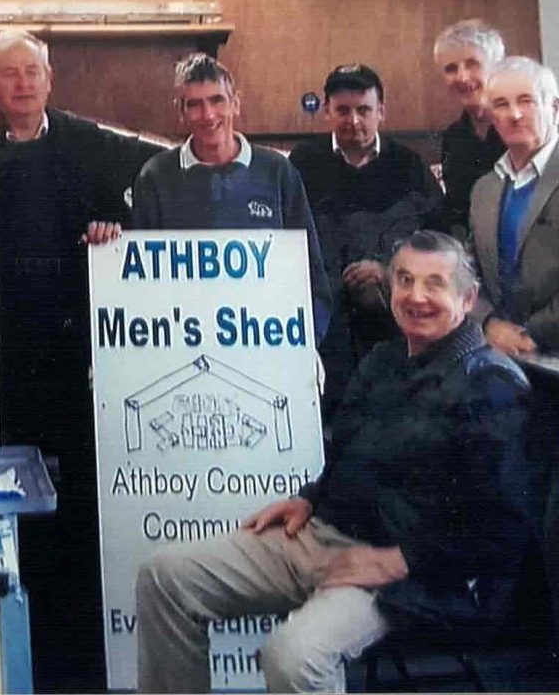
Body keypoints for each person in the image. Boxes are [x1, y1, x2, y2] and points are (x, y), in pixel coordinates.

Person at [136, 230, 533, 693]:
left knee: (293, 656)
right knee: (165, 577)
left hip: (412, 572)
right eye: (404, 280)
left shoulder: (492, 386)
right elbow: (353, 453)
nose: (416, 296)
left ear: (467, 299)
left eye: (434, 284)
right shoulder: (384, 359)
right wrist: (309, 497)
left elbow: (503, 533)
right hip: (324, 533)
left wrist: (397, 561)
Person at [0, 28, 162, 692]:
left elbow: (157, 177)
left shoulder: (87, 139)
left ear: (49, 80)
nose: (20, 84)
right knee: (7, 492)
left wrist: (117, 228)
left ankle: (78, 652)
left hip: (74, 347)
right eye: (7, 74)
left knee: (77, 500)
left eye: (31, 73)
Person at [132, 53, 331, 343]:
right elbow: (139, 282)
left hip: (269, 344)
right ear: (180, 111)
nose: (208, 115)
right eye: (195, 104)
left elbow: (311, 272)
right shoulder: (155, 176)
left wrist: (306, 342)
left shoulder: (277, 171)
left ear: (235, 103)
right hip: (183, 344)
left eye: (217, 100)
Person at [290, 64, 442, 415]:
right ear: (327, 110)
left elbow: (438, 239)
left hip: (395, 317)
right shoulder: (301, 165)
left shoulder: (409, 166)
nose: (354, 120)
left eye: (364, 110)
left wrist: (389, 270)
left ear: (381, 112)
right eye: (343, 110)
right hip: (325, 322)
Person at [469, 56, 559, 357]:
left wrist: (530, 334)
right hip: (502, 355)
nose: (515, 114)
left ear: (554, 108)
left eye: (526, 101)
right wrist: (488, 323)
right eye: (501, 104)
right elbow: (469, 271)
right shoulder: (484, 189)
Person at [433, 19, 507, 236]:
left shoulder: (520, 129)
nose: (462, 77)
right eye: (451, 69)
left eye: (472, 64)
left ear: (497, 67)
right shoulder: (454, 138)